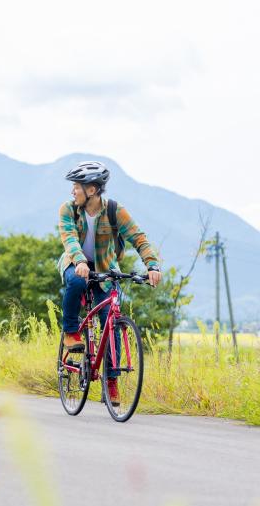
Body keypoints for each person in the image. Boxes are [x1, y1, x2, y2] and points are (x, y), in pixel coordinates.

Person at [57, 161, 161, 405]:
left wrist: (152, 265)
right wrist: (81, 261)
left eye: (77, 186)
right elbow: (69, 238)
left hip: (106, 268)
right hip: (76, 263)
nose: (73, 191)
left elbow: (138, 237)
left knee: (110, 319)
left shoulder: (115, 210)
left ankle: (110, 381)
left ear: (91, 190)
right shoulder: (68, 209)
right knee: (75, 281)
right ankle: (71, 332)